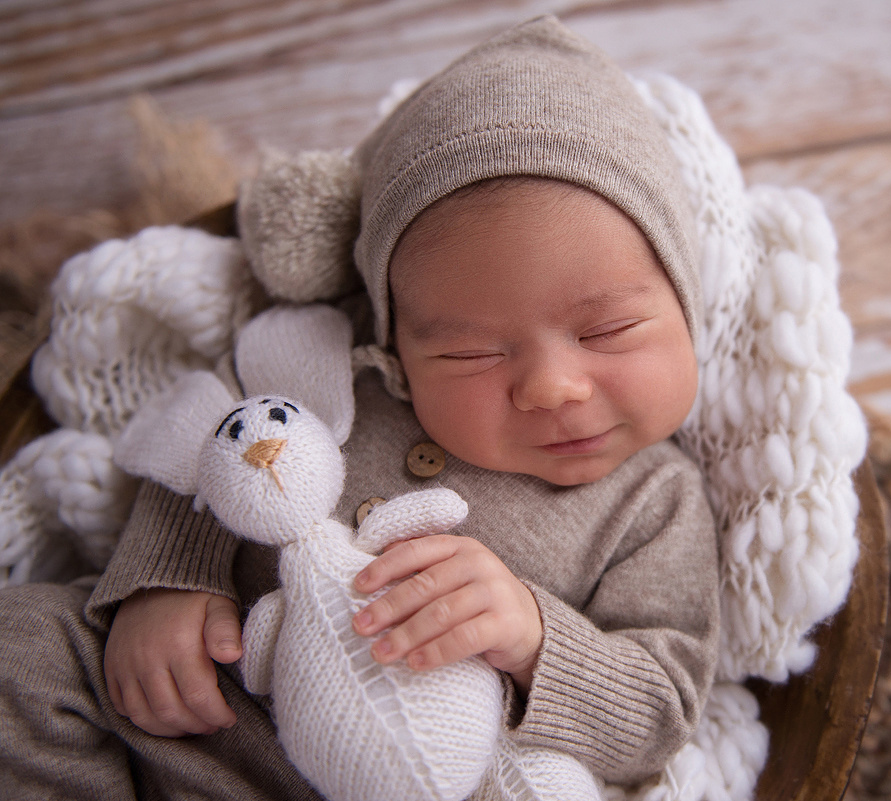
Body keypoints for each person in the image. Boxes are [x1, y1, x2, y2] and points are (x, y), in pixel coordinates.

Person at [0, 15, 719, 799]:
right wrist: (169, 578)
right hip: (190, 713)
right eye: (471, 352)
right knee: (23, 649)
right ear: (396, 340)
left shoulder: (657, 501)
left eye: (608, 329)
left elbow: (664, 703)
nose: (553, 386)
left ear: (686, 304)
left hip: (411, 773)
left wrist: (533, 637)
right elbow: (224, 438)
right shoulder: (335, 369)